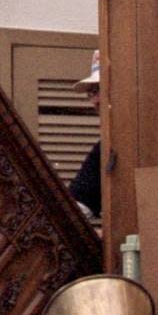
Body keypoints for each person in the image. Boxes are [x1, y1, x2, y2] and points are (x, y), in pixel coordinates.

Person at [69, 49, 102, 218]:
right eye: (92, 92)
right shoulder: (103, 149)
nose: (95, 100)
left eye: (101, 89)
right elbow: (77, 207)